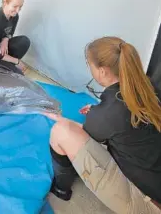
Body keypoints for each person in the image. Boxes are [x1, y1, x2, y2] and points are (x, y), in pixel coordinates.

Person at [45, 37, 161, 213]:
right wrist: (99, 112)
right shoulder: (148, 86)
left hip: (149, 203)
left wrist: (62, 119)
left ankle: (61, 188)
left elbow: (87, 133)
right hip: (154, 175)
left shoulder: (109, 114)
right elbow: (121, 117)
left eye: (89, 64)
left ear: (103, 71)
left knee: (62, 132)